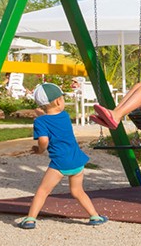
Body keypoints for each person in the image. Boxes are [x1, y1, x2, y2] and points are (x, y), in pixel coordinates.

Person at [17, 83, 107, 229]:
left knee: (43, 191)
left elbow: (44, 140)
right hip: (77, 161)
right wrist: (42, 115)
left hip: (59, 164)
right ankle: (94, 216)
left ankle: (30, 219)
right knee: (77, 191)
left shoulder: (40, 122)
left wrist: (39, 150)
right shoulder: (65, 116)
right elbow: (53, 118)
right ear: (59, 101)